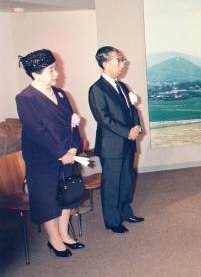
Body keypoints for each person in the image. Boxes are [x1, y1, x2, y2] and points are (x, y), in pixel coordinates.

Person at [15, 49, 84, 258]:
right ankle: (54, 240)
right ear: (35, 74)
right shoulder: (25, 98)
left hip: (67, 155)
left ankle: (64, 233)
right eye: (51, 70)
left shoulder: (61, 94)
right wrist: (61, 153)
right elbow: (37, 131)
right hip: (43, 160)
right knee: (48, 200)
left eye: (56, 69)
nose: (56, 74)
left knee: (67, 195)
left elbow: (73, 122)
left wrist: (73, 147)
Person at [88, 46, 143, 234]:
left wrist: (136, 127)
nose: (122, 63)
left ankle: (125, 211)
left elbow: (132, 110)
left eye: (122, 60)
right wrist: (127, 132)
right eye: (118, 60)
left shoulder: (122, 86)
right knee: (112, 183)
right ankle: (112, 220)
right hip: (112, 145)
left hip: (128, 142)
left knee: (126, 180)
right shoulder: (97, 89)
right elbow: (103, 119)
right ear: (105, 63)